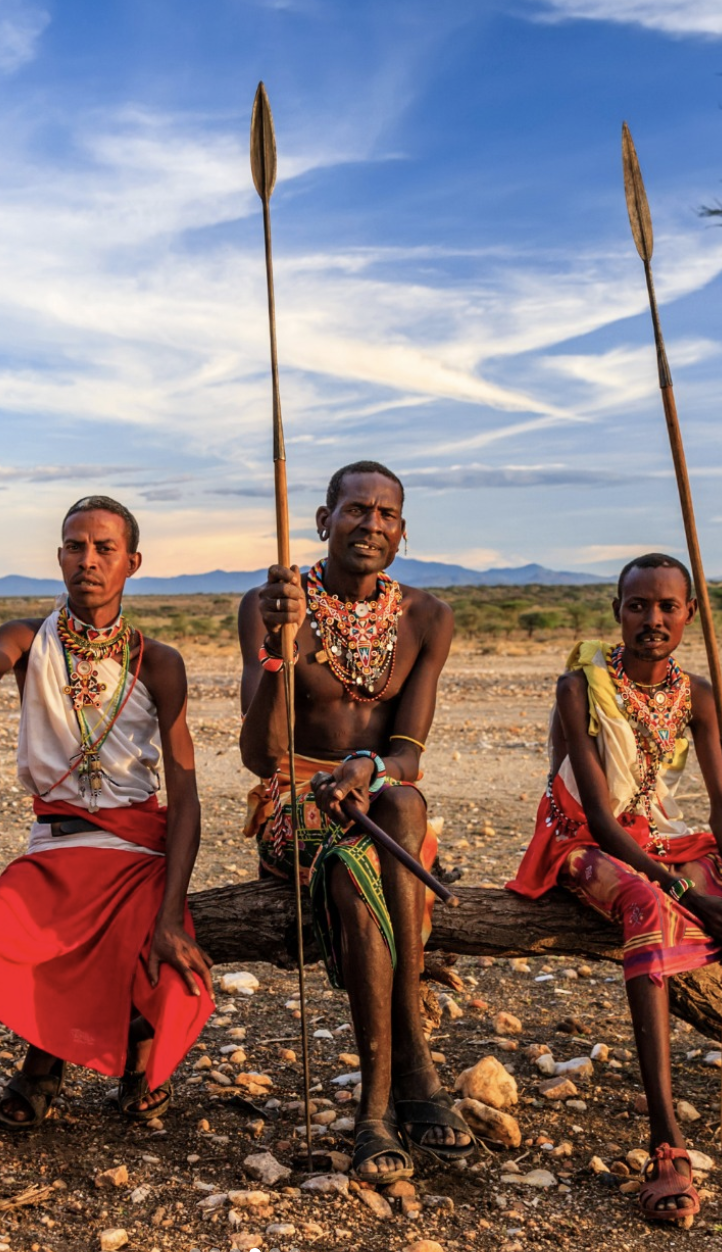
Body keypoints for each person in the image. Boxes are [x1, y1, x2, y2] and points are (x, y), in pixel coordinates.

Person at [0, 447, 214, 1127]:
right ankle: (47, 1057)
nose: (87, 559)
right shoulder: (29, 639)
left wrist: (173, 912)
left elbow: (186, 795)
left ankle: (120, 1060)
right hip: (56, 850)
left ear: (131, 563)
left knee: (160, 957)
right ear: (59, 558)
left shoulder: (161, 664)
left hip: (136, 851)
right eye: (74, 547)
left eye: (104, 548)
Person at [238, 460, 470, 1184]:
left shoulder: (427, 617)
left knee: (399, 807)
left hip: (381, 800)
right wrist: (280, 651)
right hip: (294, 801)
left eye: (386, 514)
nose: (371, 524)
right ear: (322, 520)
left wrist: (368, 770)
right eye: (355, 510)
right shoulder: (271, 604)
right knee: (349, 862)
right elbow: (258, 755)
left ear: (402, 531)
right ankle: (403, 1081)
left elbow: (408, 757)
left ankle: (383, 1097)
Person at [508, 553, 722, 1229]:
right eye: (638, 606)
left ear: (690, 613)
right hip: (583, 841)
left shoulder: (700, 695)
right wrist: (695, 899)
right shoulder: (582, 685)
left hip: (657, 834)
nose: (652, 620)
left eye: (667, 607)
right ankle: (666, 1141)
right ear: (617, 613)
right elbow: (600, 819)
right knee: (648, 905)